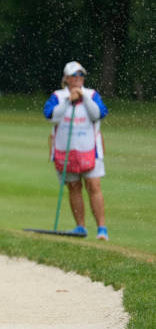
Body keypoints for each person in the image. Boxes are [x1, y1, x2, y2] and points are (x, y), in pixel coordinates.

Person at [43, 61, 109, 240]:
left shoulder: (92, 94)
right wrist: (67, 101)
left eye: (81, 75)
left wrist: (83, 98)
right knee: (74, 187)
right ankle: (80, 227)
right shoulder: (58, 96)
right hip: (65, 150)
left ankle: (102, 229)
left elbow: (99, 114)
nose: (78, 79)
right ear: (66, 78)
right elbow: (51, 116)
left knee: (94, 186)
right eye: (74, 76)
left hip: (90, 150)